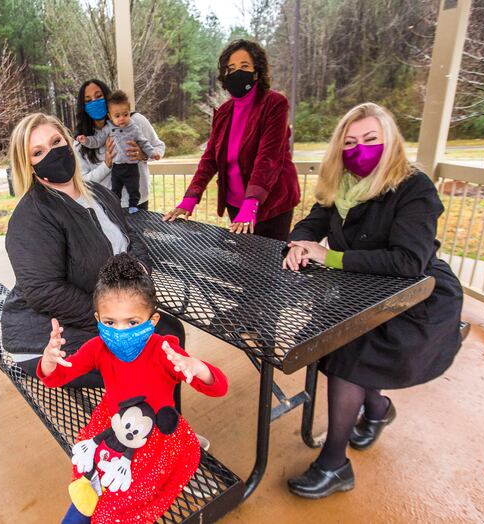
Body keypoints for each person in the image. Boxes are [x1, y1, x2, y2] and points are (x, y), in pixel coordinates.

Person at [283, 103, 463, 499]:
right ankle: (378, 410)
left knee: (349, 359)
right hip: (363, 292)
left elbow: (408, 260)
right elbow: (313, 220)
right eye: (349, 142)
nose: (358, 149)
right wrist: (299, 243)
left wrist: (327, 256)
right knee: (331, 344)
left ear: (390, 142)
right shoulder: (340, 182)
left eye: (369, 140)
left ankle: (334, 465)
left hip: (418, 299)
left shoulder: (413, 187)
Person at [38, 254, 228, 523]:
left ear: (152, 320)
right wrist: (49, 361)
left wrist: (199, 368)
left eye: (132, 322)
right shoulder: (97, 348)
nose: (120, 330)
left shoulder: (164, 351)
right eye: (110, 322)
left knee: (117, 503)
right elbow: (58, 376)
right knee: (89, 485)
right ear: (98, 319)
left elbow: (218, 387)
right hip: (112, 426)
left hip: (156, 441)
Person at [2, 112, 183, 388]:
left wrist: (141, 276)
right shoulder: (32, 216)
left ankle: (167, 425)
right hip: (47, 333)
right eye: (38, 152)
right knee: (143, 360)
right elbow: (44, 291)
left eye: (56, 141)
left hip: (109, 310)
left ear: (69, 142)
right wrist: (110, 320)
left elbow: (130, 237)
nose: (52, 153)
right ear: (28, 165)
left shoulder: (97, 192)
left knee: (171, 334)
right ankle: (145, 429)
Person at [163, 39, 300, 241]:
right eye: (231, 68)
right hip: (235, 203)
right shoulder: (224, 112)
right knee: (244, 264)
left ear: (257, 71)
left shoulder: (274, 103)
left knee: (270, 267)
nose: (237, 73)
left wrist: (252, 202)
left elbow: (268, 157)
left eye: (244, 66)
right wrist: (190, 198)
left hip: (271, 204)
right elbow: (210, 158)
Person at [75, 79, 165, 211]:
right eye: (88, 100)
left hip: (138, 203)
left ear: (108, 97)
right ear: (83, 106)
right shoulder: (81, 140)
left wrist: (143, 154)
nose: (94, 102)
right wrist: (106, 165)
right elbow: (83, 181)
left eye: (99, 96)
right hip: (104, 207)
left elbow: (159, 147)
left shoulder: (135, 122)